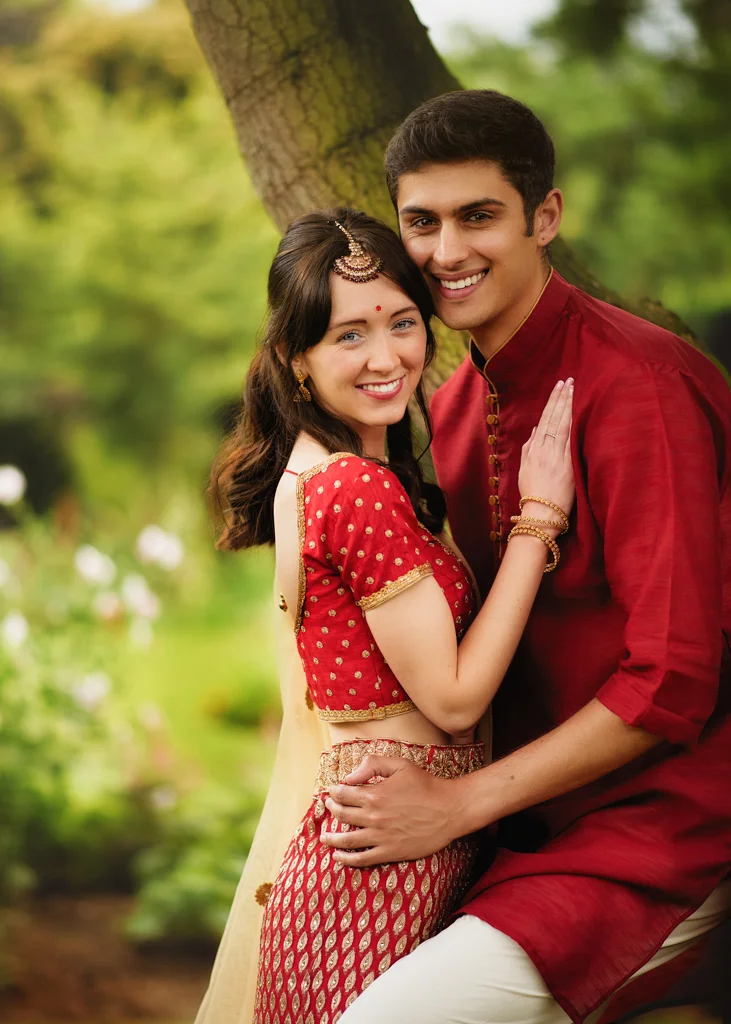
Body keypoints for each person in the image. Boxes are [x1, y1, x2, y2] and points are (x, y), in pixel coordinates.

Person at [322, 90, 731, 1024]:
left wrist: (451, 811)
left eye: (479, 216)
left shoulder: (640, 386)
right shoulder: (456, 404)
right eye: (420, 222)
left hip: (662, 830)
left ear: (544, 217)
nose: (445, 251)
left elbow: (669, 681)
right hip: (522, 830)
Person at [195, 206, 575, 1024]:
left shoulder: (311, 473)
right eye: (346, 337)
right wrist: (537, 522)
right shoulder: (352, 486)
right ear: (296, 358)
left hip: (377, 859)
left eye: (401, 323)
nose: (385, 358)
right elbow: (453, 699)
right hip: (372, 882)